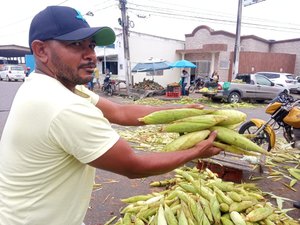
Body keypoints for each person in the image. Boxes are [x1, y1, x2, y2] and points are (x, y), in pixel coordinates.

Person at [0, 6, 221, 225]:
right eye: (76, 44)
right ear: (41, 51)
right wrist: (196, 151)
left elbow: (121, 111)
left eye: (91, 45)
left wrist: (181, 112)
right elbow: (133, 165)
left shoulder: (50, 86)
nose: (91, 55)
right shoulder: (63, 105)